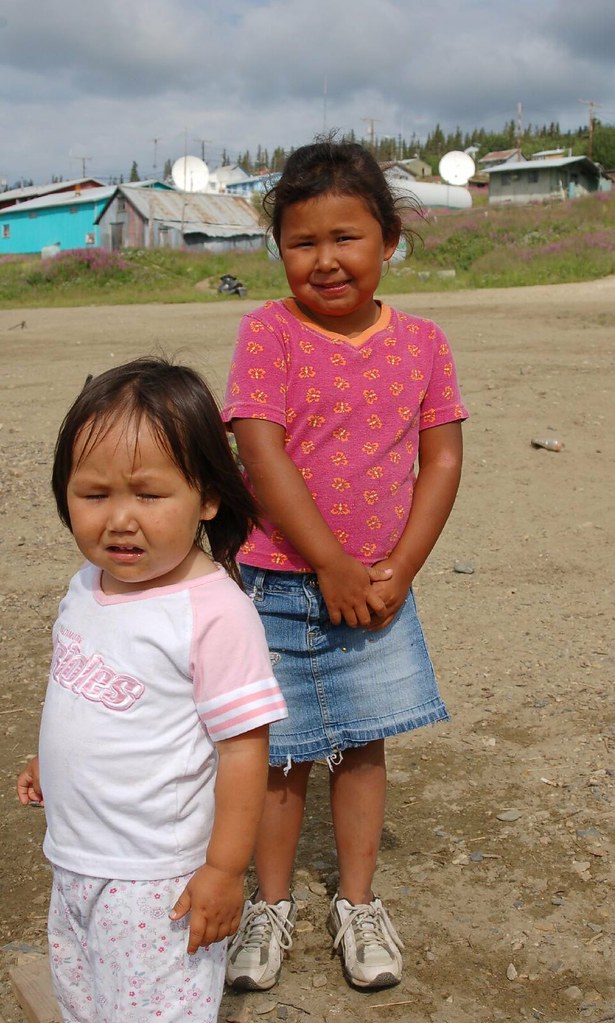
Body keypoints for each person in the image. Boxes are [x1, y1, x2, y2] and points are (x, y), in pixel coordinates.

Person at [221, 138, 467, 992]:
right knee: (278, 754)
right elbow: (262, 448)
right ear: (279, 249)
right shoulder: (268, 332)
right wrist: (326, 562)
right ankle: (271, 903)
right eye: (301, 242)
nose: (325, 260)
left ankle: (357, 903)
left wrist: (398, 567)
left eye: (346, 237)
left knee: (363, 746)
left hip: (377, 592)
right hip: (280, 586)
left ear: (389, 238)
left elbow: (440, 461)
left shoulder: (426, 342)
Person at [16, 357, 287, 1023]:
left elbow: (244, 749)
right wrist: (50, 759)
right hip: (76, 858)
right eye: (95, 494)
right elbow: (83, 689)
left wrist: (224, 870)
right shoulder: (87, 585)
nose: (120, 519)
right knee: (85, 1001)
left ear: (208, 495)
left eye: (149, 494)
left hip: (156, 878)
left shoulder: (214, 613)